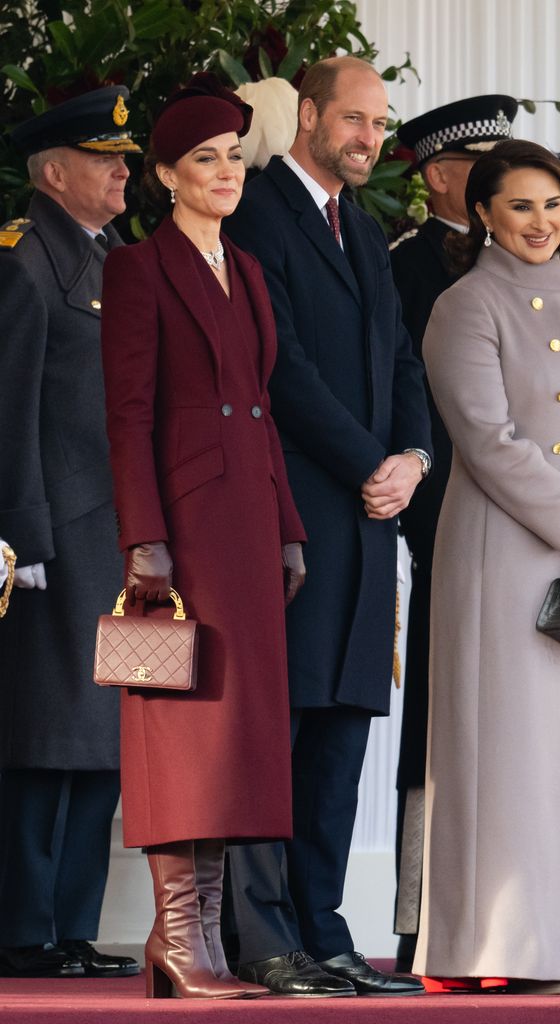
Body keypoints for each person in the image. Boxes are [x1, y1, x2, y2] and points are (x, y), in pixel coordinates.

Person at [414, 139, 560, 993]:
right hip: (507, 553)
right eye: (521, 206)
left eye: (554, 205)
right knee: (513, 755)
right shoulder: (464, 307)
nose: (542, 223)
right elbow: (487, 440)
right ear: (482, 212)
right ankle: (506, 948)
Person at [223, 56, 431, 998]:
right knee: (282, 729)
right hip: (294, 513)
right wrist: (367, 463)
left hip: (368, 517)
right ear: (306, 114)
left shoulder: (366, 224)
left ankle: (324, 930)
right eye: (354, 120)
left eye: (380, 125)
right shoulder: (257, 213)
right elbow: (282, 368)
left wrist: (414, 458)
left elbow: (400, 361)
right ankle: (264, 940)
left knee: (342, 730)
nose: (369, 139)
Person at [99, 74, 307, 1000]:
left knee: (240, 738)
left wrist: (291, 529)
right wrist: (144, 538)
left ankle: (197, 945)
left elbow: (262, 411)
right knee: (185, 730)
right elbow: (127, 415)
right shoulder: (136, 269)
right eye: (203, 161)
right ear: (165, 176)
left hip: (251, 525)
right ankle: (180, 941)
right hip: (182, 532)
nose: (225, 173)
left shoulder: (251, 270)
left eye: (232, 157)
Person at [0, 87, 141, 981]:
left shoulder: (113, 254)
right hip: (57, 535)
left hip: (124, 540)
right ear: (56, 173)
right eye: (108, 158)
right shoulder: (23, 263)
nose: (126, 170)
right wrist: (23, 536)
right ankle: (23, 926)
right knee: (45, 740)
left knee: (105, 738)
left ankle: (73, 926)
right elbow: (7, 407)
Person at [390, 94, 519, 971]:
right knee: (442, 722)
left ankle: (523, 912)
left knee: (526, 718)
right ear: (440, 176)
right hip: (447, 519)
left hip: (532, 526)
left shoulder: (540, 259)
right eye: (483, 167)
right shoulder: (403, 266)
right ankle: (425, 917)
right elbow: (407, 401)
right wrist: (424, 514)